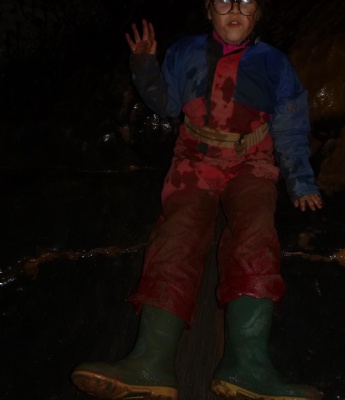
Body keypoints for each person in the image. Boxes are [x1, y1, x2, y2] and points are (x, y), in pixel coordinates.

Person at [71, 0, 323, 399]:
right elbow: (166, 104)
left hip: (251, 160)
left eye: (246, 1)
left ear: (257, 12)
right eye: (223, 1)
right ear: (209, 11)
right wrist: (144, 66)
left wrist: (301, 181)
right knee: (177, 235)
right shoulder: (185, 51)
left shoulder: (274, 63)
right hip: (195, 158)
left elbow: (291, 125)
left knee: (255, 234)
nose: (234, 9)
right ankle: (150, 362)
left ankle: (248, 365)